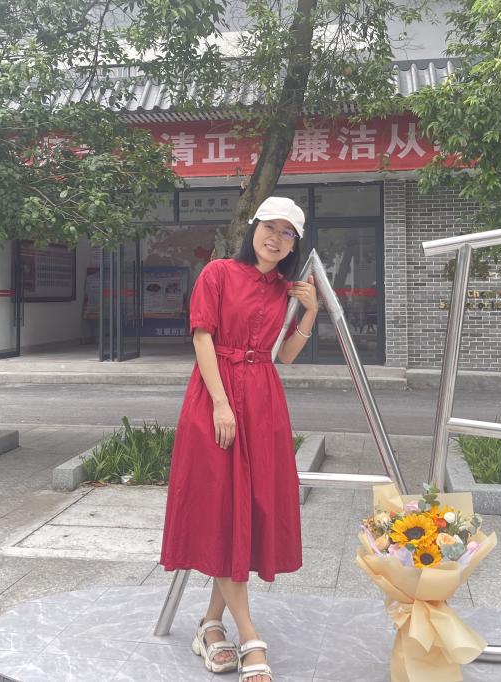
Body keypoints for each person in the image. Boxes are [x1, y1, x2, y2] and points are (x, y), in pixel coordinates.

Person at [160, 196, 319, 682]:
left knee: (242, 515)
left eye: (287, 233)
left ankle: (211, 625)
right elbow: (202, 336)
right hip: (217, 398)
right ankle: (250, 636)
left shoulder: (285, 290)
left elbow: (285, 356)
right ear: (254, 228)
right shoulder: (218, 273)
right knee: (219, 509)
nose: (276, 238)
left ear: (294, 244)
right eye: (270, 227)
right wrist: (221, 403)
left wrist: (309, 313)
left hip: (264, 400)